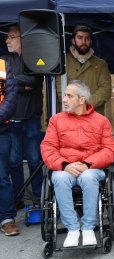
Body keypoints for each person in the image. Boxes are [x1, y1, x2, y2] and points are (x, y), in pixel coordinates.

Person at [40, 80, 114, 247]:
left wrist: (88, 164)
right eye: (65, 95)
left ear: (82, 100)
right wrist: (64, 165)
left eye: (69, 96)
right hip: (65, 167)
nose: (65, 100)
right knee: (59, 178)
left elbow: (110, 150)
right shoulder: (56, 120)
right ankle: (73, 229)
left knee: (89, 177)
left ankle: (89, 228)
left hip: (92, 168)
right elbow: (48, 148)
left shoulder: (101, 121)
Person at [4, 25, 44, 209]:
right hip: (10, 120)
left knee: (35, 159)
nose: (7, 40)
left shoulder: (35, 58)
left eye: (11, 37)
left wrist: (13, 81)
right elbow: (3, 83)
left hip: (31, 119)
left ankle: (39, 197)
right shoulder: (4, 59)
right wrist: (19, 84)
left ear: (22, 38)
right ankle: (17, 197)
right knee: (14, 161)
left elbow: (34, 81)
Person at [56, 25, 111, 116]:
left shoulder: (101, 64)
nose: (84, 42)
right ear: (73, 41)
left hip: (93, 116)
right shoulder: (63, 62)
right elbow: (59, 89)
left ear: (91, 41)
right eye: (80, 38)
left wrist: (84, 104)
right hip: (68, 115)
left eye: (87, 38)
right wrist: (74, 105)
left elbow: (105, 91)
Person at [0, 56, 19, 236]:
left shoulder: (2, 65)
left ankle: (7, 219)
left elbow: (11, 96)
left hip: (0, 130)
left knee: (2, 177)